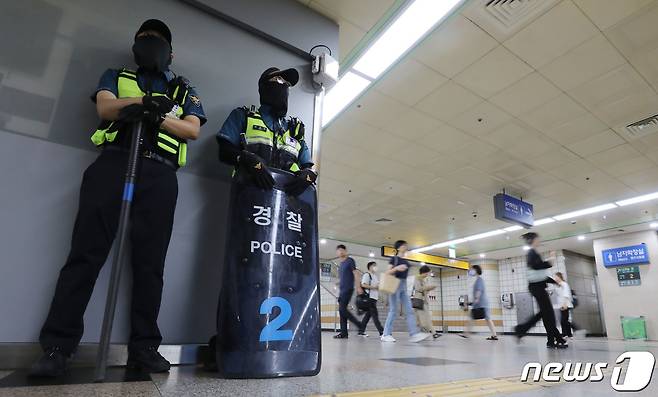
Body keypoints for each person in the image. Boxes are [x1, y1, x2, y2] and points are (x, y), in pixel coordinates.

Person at [30, 19, 206, 377]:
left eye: (156, 39)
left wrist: (156, 114)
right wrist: (142, 100)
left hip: (159, 174)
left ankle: (144, 349)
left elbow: (192, 128)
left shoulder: (183, 88)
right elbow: (105, 108)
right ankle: (57, 347)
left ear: (170, 52)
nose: (149, 43)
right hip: (114, 164)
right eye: (143, 38)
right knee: (85, 254)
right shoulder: (117, 74)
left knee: (150, 264)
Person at [216, 67, 316, 195]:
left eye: (287, 84)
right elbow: (224, 151)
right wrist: (246, 159)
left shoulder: (295, 130)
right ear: (264, 86)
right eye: (279, 80)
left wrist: (310, 175)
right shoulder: (243, 116)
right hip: (247, 199)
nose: (284, 86)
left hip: (287, 205)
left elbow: (308, 167)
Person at [514, 233, 568, 349]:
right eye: (538, 239)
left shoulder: (533, 253)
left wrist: (555, 281)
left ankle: (554, 340)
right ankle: (522, 329)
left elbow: (540, 274)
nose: (539, 240)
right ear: (533, 240)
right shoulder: (531, 253)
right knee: (547, 314)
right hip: (537, 288)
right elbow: (536, 267)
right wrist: (550, 261)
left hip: (537, 287)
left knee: (546, 314)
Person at [381, 240, 431, 343]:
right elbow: (387, 272)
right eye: (404, 245)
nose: (406, 247)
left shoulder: (407, 262)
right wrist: (397, 268)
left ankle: (414, 334)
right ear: (398, 248)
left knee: (409, 310)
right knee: (393, 310)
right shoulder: (393, 259)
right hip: (394, 284)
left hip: (403, 286)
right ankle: (386, 334)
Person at [333, 245, 364, 339]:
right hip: (342, 290)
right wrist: (337, 283)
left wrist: (358, 287)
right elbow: (343, 277)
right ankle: (344, 333)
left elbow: (356, 273)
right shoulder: (341, 264)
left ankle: (358, 324)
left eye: (342, 250)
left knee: (342, 309)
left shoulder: (350, 260)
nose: (340, 252)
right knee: (341, 312)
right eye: (338, 250)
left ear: (345, 251)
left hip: (348, 289)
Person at [460, 265, 497, 340]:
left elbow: (479, 291)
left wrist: (476, 299)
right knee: (485, 319)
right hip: (480, 304)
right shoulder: (477, 280)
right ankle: (494, 335)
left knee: (483, 318)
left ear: (476, 270)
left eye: (472, 269)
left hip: (481, 304)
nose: (470, 271)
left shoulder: (479, 280)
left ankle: (466, 333)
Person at [358, 261, 383, 337]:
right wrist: (374, 287)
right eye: (374, 266)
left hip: (374, 298)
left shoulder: (375, 276)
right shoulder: (367, 275)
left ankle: (361, 331)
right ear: (370, 267)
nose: (376, 267)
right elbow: (363, 284)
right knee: (375, 315)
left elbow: (377, 286)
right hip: (369, 298)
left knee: (368, 316)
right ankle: (382, 332)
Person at [412, 265, 437, 334]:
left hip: (424, 300)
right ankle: (430, 332)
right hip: (419, 300)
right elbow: (419, 289)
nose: (427, 274)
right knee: (421, 319)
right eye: (427, 273)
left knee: (426, 317)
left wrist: (429, 288)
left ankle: (433, 333)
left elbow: (424, 290)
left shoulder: (424, 280)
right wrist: (429, 287)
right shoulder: (417, 278)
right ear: (424, 272)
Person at [554, 272, 579, 338]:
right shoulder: (559, 285)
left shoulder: (564, 284)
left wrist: (565, 304)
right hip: (562, 305)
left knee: (563, 320)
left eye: (556, 277)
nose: (555, 278)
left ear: (559, 277)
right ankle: (569, 334)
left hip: (566, 305)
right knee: (564, 320)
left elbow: (566, 294)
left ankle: (574, 328)